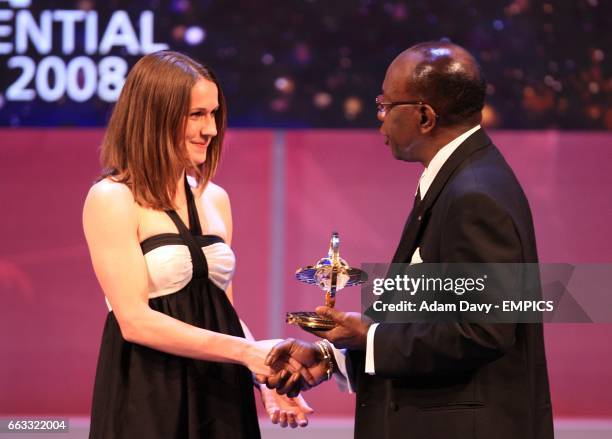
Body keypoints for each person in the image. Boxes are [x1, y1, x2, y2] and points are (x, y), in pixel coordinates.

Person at [263, 41, 554, 439]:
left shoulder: (474, 195)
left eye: (385, 106)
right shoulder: (461, 179)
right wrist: (332, 358)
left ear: (424, 116)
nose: (379, 121)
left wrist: (367, 334)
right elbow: (427, 315)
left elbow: (483, 330)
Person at [82, 50, 314, 438]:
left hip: (221, 391)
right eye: (196, 115)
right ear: (154, 117)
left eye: (213, 114)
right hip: (149, 390)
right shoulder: (112, 198)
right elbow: (134, 321)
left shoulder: (215, 198)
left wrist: (264, 377)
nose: (210, 129)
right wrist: (246, 354)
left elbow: (224, 308)